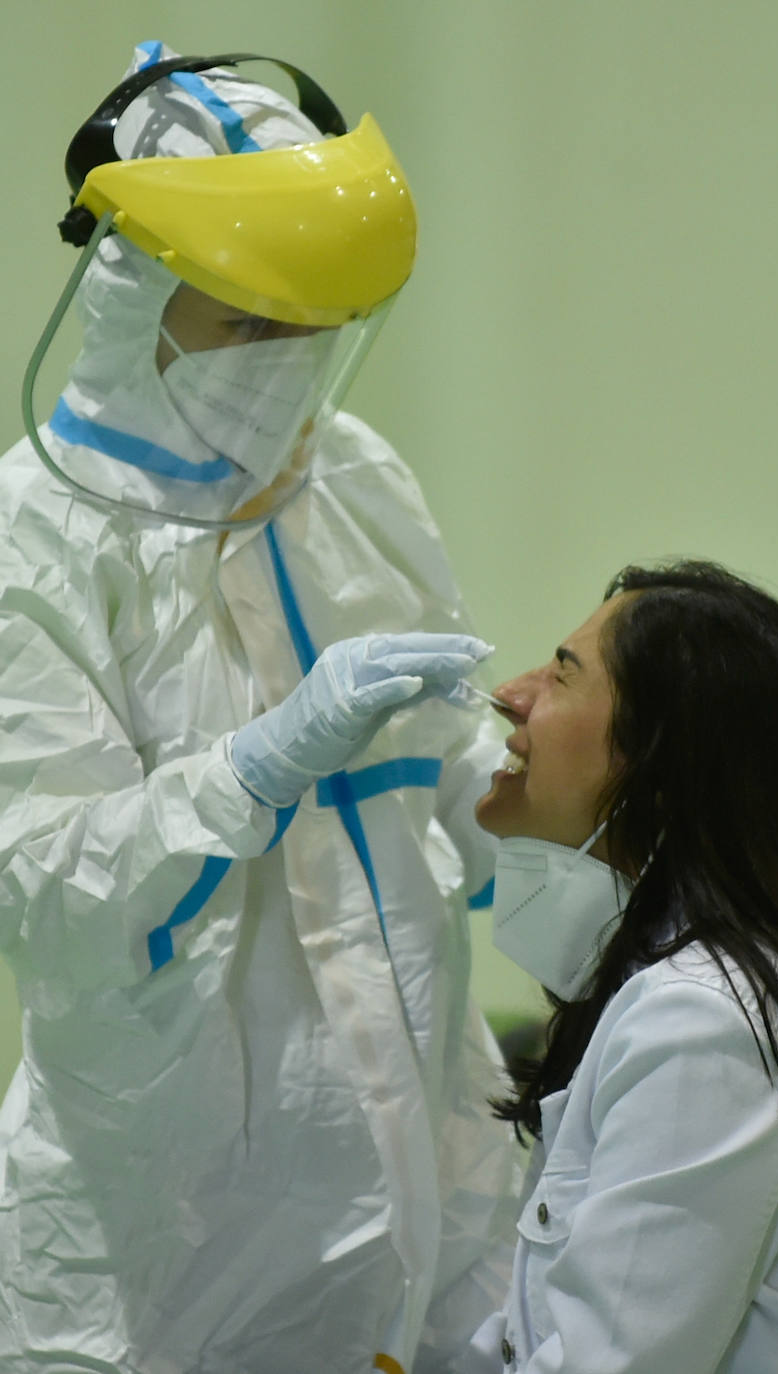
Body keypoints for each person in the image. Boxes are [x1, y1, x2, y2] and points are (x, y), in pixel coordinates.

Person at [0, 42, 519, 1374]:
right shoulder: (36, 542)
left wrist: (522, 808)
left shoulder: (351, 473)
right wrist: (258, 765)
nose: (287, 366)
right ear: (134, 293)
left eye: (314, 329)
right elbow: (47, 889)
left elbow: (441, 759)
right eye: (248, 324)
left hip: (429, 1190)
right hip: (165, 1247)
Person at [462, 560, 778, 1372]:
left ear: (663, 774)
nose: (512, 693)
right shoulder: (717, 990)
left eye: (562, 675)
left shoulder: (710, 1024)